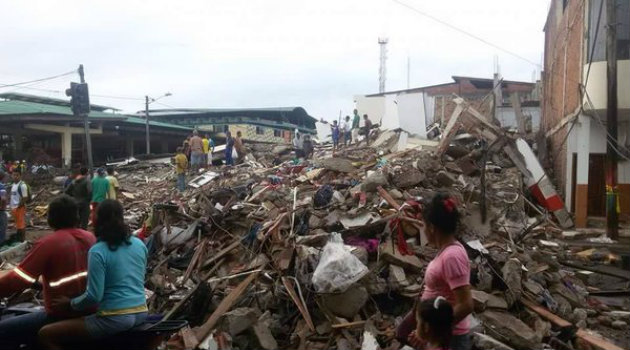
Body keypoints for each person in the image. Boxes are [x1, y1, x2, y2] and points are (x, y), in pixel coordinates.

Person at [39, 200, 148, 348]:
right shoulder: (139, 244)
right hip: (141, 312)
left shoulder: (98, 251)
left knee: (46, 334)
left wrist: (70, 304)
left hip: (114, 318)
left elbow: (94, 296)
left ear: (97, 220)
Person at [0, 195, 95, 345]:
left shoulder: (48, 243)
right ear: (76, 216)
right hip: (89, 312)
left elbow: (17, 280)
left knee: (4, 329)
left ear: (50, 218)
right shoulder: (90, 238)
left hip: (61, 314)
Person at [397, 193, 473, 350]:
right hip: (440, 336)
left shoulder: (452, 256)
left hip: (451, 339)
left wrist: (430, 332)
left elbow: (466, 304)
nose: (423, 230)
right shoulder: (446, 252)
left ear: (432, 227)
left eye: (423, 225)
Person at [9, 170, 29, 242]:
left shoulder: (22, 185)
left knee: (21, 225)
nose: (15, 177)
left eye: (17, 175)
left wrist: (19, 206)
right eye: (14, 175)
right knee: (18, 224)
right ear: (12, 176)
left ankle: (23, 240)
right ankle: (19, 238)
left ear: (20, 176)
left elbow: (25, 198)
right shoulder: (14, 185)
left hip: (19, 208)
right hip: (14, 207)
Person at [0, 171, 7, 245]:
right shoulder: (1, 186)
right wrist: (2, 208)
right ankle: (1, 244)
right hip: (0, 211)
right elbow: (3, 198)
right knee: (2, 227)